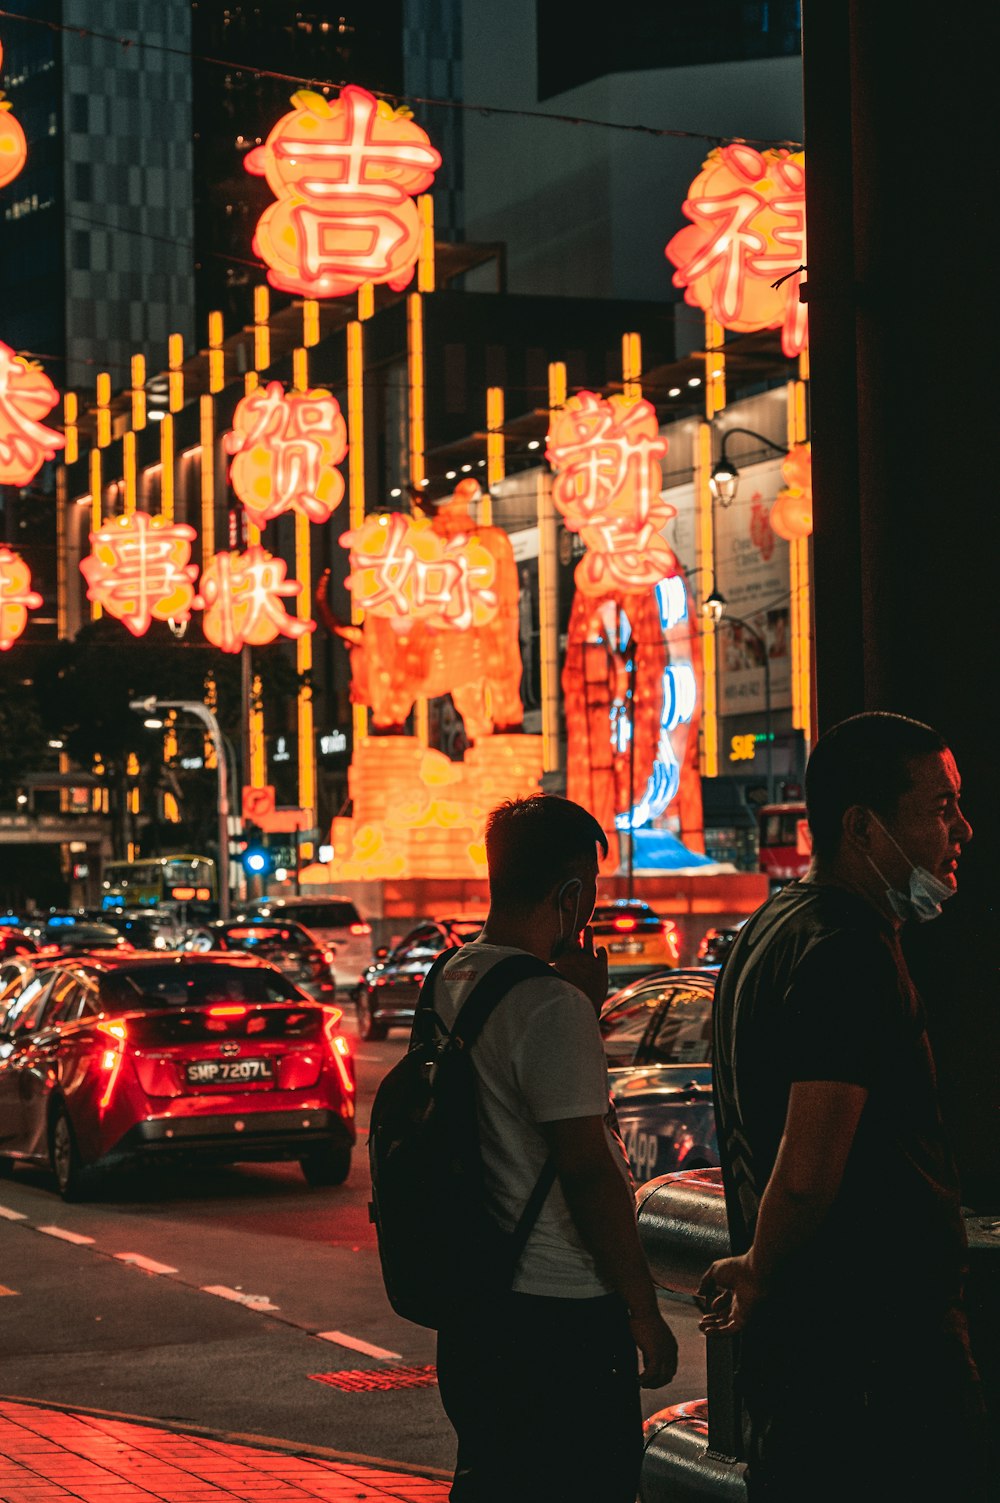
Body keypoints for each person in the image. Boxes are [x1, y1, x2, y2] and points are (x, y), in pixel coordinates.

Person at [699, 712, 987, 1500]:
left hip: (808, 1358)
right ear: (863, 825)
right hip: (873, 1357)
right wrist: (759, 1266)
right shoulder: (850, 949)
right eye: (938, 808)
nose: (961, 829)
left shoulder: (772, 925)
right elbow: (807, 1164)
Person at [432, 794, 678, 1503]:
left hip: (476, 1302)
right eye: (591, 896)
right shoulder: (549, 1005)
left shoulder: (450, 979)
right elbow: (589, 1171)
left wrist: (581, 1006)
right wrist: (642, 1307)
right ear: (571, 894)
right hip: (560, 1312)